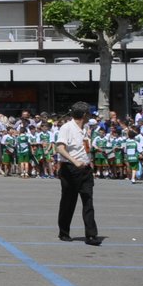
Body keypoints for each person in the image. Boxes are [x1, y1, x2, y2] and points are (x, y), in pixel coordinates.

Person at [55, 101, 103, 246]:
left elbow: (85, 147)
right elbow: (60, 148)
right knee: (68, 202)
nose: (89, 116)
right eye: (88, 114)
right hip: (70, 169)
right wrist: (75, 161)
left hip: (85, 169)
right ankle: (64, 232)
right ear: (83, 114)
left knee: (88, 200)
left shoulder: (85, 128)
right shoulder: (67, 128)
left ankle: (91, 235)